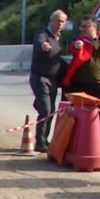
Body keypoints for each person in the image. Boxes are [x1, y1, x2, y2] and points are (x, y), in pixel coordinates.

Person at [61, 15, 100, 132]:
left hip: (97, 85)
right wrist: (76, 46)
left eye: (85, 26)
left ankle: (96, 142)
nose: (82, 29)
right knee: (75, 113)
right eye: (81, 26)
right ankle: (73, 143)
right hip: (77, 84)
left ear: (94, 27)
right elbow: (73, 47)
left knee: (97, 113)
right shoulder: (78, 40)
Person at [29, 10, 68, 153]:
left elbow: (57, 59)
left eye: (62, 21)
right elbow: (40, 43)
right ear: (51, 20)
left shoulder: (58, 38)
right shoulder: (43, 35)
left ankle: (44, 139)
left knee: (51, 110)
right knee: (46, 110)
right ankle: (40, 142)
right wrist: (43, 46)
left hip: (53, 80)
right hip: (40, 78)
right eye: (57, 21)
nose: (59, 24)